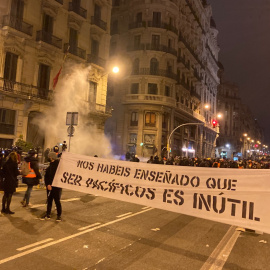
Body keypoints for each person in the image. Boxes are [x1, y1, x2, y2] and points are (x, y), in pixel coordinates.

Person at [40, 152, 62, 221]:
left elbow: (53, 177)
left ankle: (59, 215)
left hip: (55, 186)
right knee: (49, 200)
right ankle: (48, 213)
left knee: (57, 201)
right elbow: (47, 177)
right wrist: (48, 184)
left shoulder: (57, 166)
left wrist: (50, 184)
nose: (48, 158)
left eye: (49, 157)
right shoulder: (51, 165)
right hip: (50, 186)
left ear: (51, 157)